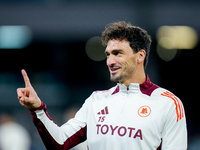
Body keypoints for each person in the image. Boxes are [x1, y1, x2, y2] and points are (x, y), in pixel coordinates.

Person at [17, 21, 187, 150]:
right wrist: (38, 109)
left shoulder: (168, 104)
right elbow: (60, 142)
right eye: (108, 55)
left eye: (117, 53)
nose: (110, 61)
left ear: (140, 56)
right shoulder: (96, 100)